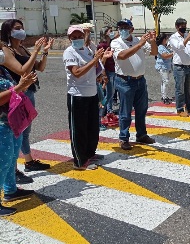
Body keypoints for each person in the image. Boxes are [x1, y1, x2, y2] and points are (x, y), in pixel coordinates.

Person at [0, 19, 53, 184]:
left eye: (22, 28)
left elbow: (40, 67)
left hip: (27, 92)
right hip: (15, 93)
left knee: (24, 131)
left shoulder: (22, 48)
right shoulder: (6, 50)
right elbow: (23, 70)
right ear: (8, 31)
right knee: (16, 132)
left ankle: (27, 162)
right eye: (17, 28)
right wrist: (36, 51)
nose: (21, 31)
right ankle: (14, 171)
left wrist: (44, 52)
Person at [63, 25, 112, 170]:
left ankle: (90, 153)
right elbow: (76, 72)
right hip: (77, 95)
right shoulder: (69, 53)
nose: (77, 39)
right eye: (74, 37)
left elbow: (95, 67)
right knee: (79, 129)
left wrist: (101, 63)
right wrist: (94, 60)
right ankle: (79, 160)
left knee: (92, 127)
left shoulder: (87, 50)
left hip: (91, 93)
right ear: (69, 38)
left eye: (79, 36)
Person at [0, 48, 37, 216]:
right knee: (2, 163)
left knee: (11, 159)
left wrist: (22, 85)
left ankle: (10, 190)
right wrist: (18, 88)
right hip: (1, 123)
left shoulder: (2, 69)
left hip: (12, 121)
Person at [111, 19, 158, 151]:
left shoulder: (138, 40)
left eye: (125, 27)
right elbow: (121, 56)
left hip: (140, 80)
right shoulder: (116, 42)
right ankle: (124, 137)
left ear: (131, 29)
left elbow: (154, 52)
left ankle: (141, 134)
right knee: (125, 112)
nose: (122, 30)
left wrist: (152, 41)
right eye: (120, 27)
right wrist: (141, 44)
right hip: (125, 81)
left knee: (141, 109)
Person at [169, 18, 190, 117]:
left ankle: (189, 106)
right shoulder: (173, 37)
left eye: (185, 26)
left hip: (189, 66)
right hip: (179, 67)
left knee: (188, 89)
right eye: (182, 26)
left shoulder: (189, 36)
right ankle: (179, 109)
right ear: (177, 27)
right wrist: (189, 36)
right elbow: (179, 47)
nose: (184, 28)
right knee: (180, 89)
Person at [97, 26, 117, 116]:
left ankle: (108, 110)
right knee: (109, 93)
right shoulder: (102, 45)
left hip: (113, 70)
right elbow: (100, 62)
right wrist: (103, 74)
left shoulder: (111, 43)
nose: (112, 32)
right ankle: (101, 111)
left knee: (110, 93)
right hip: (107, 71)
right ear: (105, 33)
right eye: (110, 31)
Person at [155, 33, 174, 104]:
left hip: (166, 66)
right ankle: (164, 97)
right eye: (166, 39)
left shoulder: (164, 47)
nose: (167, 40)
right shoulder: (160, 47)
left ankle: (164, 95)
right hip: (162, 66)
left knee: (164, 82)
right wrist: (173, 53)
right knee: (166, 81)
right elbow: (165, 56)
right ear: (163, 40)